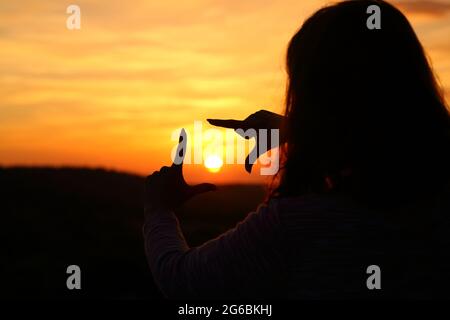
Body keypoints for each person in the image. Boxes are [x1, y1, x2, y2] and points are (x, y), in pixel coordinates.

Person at [143, 0, 450, 299]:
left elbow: (182, 281)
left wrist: (159, 209)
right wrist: (301, 132)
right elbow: (381, 138)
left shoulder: (300, 224)